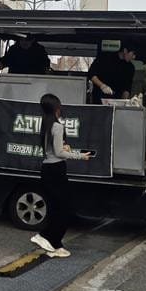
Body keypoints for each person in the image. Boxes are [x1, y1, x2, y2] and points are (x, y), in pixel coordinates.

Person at [29, 93, 90, 258]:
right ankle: (50, 239)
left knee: (58, 207)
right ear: (57, 107)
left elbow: (55, 149)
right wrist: (80, 156)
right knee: (64, 208)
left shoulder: (46, 124)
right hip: (56, 169)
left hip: (48, 169)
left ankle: (52, 242)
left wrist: (65, 149)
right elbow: (59, 153)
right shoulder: (57, 126)